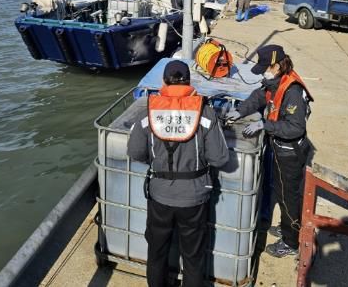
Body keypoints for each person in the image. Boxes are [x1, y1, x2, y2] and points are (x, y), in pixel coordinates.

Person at [127, 60, 230, 287]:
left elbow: (134, 152)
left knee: (156, 252)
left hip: (159, 196)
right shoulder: (205, 114)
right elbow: (220, 158)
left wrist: (157, 161)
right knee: (193, 258)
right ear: (189, 82)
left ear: (164, 82)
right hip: (195, 198)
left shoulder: (148, 113)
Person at [226, 45, 313, 258]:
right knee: (281, 191)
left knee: (287, 196)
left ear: (276, 66)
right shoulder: (276, 82)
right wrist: (239, 111)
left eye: (265, 68)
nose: (262, 73)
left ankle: (290, 242)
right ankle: (287, 227)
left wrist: (265, 125)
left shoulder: (292, 92)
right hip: (280, 149)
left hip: (290, 154)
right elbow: (259, 97)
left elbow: (296, 127)